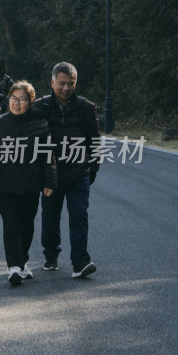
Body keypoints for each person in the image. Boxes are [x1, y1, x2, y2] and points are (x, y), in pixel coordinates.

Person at [0, 81, 56, 286]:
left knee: (27, 225)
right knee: (12, 223)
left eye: (22, 99)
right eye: (13, 98)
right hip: (4, 184)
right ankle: (13, 266)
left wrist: (49, 181)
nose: (16, 103)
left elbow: (49, 156)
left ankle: (22, 263)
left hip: (31, 185)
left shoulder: (40, 124)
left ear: (30, 102)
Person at [32, 62, 101, 278]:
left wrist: (91, 171)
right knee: (50, 217)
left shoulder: (85, 107)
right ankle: (51, 255)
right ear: (52, 82)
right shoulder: (39, 107)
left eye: (70, 84)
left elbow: (95, 143)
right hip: (50, 175)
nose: (66, 88)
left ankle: (80, 260)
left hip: (78, 172)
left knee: (79, 216)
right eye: (61, 83)